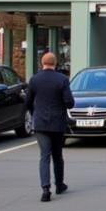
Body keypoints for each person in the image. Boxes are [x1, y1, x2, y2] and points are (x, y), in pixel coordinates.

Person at [25, 51, 75, 202]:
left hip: (40, 123)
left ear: (42, 63)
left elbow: (27, 102)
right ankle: (59, 185)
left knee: (44, 156)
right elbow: (69, 102)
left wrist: (35, 113)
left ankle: (45, 189)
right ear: (55, 63)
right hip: (57, 122)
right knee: (57, 155)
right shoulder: (62, 79)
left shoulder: (34, 79)